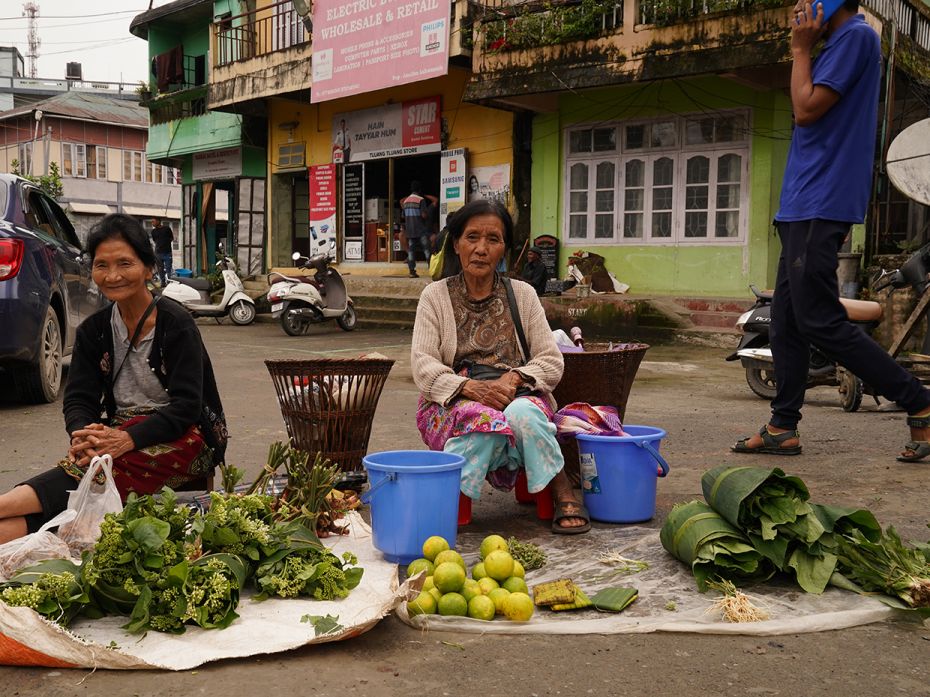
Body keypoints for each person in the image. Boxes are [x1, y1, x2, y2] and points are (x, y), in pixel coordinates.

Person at [734, 1, 930, 462]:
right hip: (804, 203)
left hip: (822, 200)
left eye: (805, 1)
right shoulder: (838, 46)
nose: (798, 10)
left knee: (818, 317)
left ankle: (919, 401)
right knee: (786, 319)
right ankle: (783, 426)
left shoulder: (855, 38)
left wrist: (799, 50)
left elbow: (805, 109)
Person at [0, 214, 227, 543]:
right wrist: (85, 434)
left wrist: (124, 441)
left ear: (148, 268)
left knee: (99, 471)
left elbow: (187, 408)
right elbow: (79, 398)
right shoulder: (94, 330)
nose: (113, 275)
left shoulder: (176, 324)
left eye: (125, 263)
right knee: (95, 464)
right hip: (118, 434)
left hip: (188, 438)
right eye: (102, 265)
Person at [411, 199, 590, 534]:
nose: (481, 248)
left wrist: (515, 377)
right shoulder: (434, 297)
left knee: (526, 415)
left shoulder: (523, 294)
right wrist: (469, 388)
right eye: (472, 237)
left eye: (493, 239)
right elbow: (422, 364)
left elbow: (551, 360)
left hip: (515, 391)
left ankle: (561, 489)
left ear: (504, 247)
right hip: (454, 398)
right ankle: (454, 499)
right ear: (456, 243)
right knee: (485, 421)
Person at [401, 181, 437, 278]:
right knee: (427, 251)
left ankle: (412, 272)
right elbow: (424, 215)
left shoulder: (406, 201)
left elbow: (404, 216)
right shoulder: (420, 200)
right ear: (419, 190)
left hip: (410, 231)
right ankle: (432, 271)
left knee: (411, 252)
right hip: (420, 230)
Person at [150, 217, 174, 286]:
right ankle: (163, 283)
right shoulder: (153, 231)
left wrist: (165, 244)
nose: (152, 223)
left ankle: (170, 283)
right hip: (158, 253)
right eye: (152, 222)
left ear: (158, 221)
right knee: (160, 269)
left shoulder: (167, 229)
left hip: (167, 253)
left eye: (153, 221)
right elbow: (155, 241)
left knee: (168, 268)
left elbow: (171, 238)